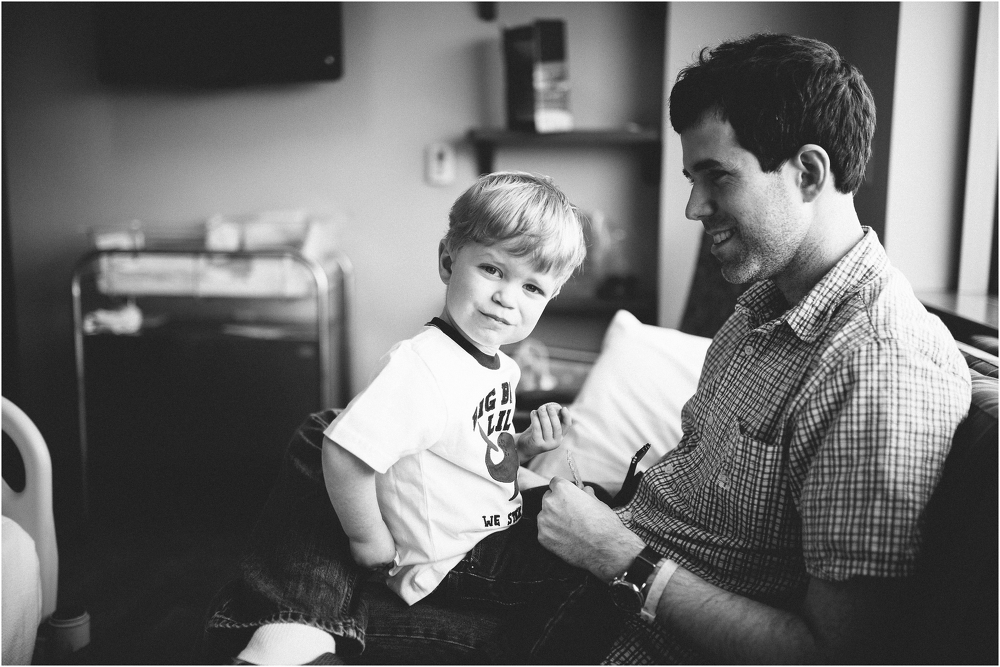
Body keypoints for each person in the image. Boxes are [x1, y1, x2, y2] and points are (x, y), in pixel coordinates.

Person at [206, 33, 972, 664]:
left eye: (716, 177)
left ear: (808, 170)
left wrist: (618, 555)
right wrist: (567, 481)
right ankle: (295, 627)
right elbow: (694, 498)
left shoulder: (881, 366)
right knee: (332, 441)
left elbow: (839, 655)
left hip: (605, 621)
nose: (693, 206)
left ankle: (289, 633)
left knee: (310, 511)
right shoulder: (763, 308)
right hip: (585, 552)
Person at [208, 171, 595, 665]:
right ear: (447, 260)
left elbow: (472, 452)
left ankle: (284, 633)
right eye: (493, 270)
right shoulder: (424, 365)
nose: (507, 298)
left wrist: (521, 447)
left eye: (533, 288)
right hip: (454, 560)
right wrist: (367, 537)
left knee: (587, 524)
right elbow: (342, 449)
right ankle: (285, 637)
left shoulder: (501, 365)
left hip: (489, 529)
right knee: (590, 577)